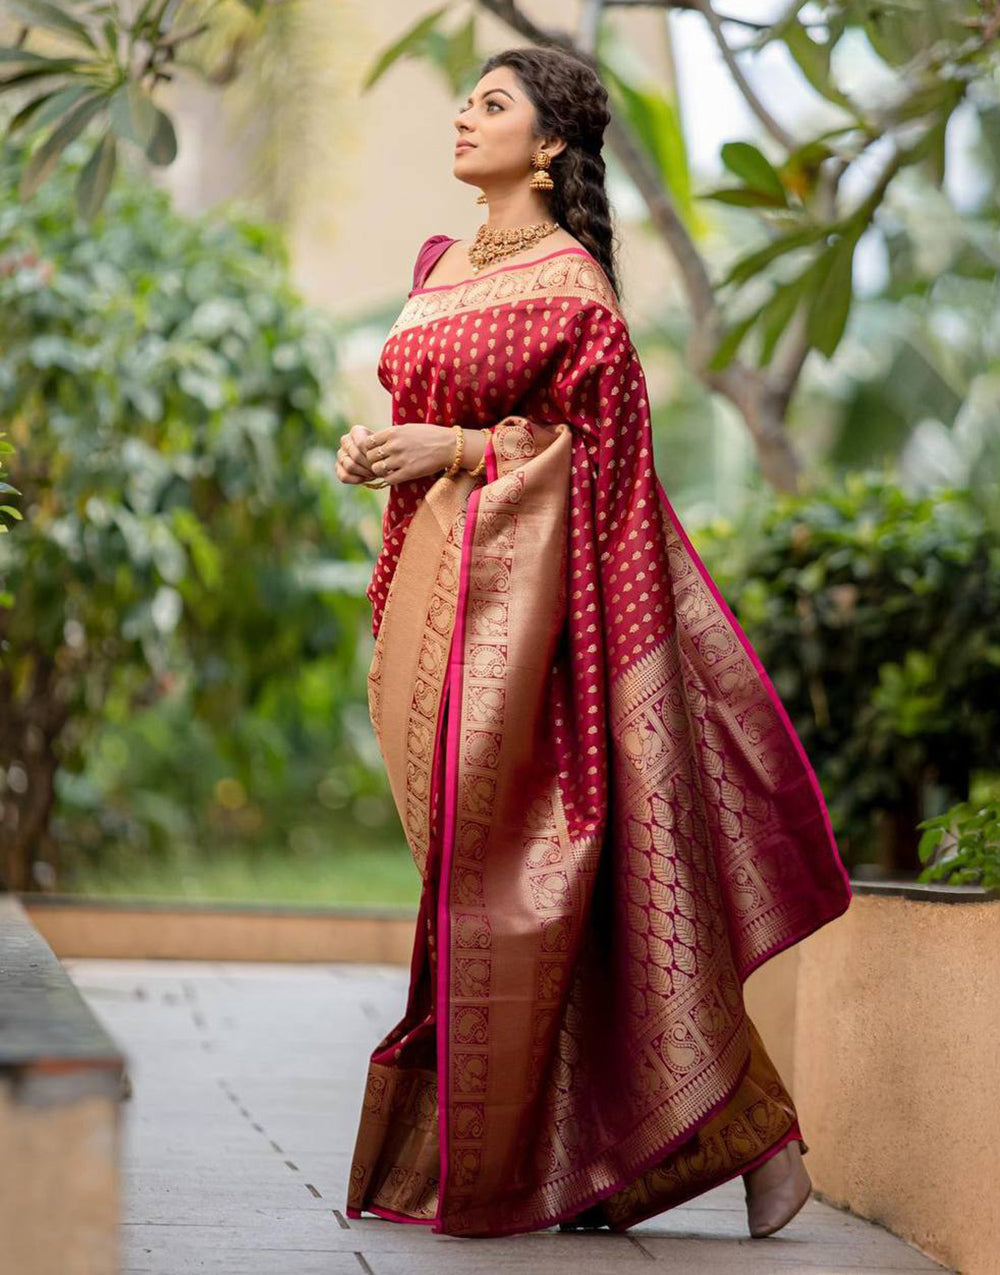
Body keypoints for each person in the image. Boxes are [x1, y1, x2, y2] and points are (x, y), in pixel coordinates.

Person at [337, 45, 852, 1240]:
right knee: (490, 895)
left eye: (495, 103)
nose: (465, 114)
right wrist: (381, 449)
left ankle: (752, 1134)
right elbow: (428, 413)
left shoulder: (579, 295)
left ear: (552, 144)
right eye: (467, 98)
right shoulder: (440, 263)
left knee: (551, 894)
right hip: (438, 611)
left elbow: (601, 468)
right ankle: (602, 1158)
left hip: (542, 642)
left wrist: (458, 455)